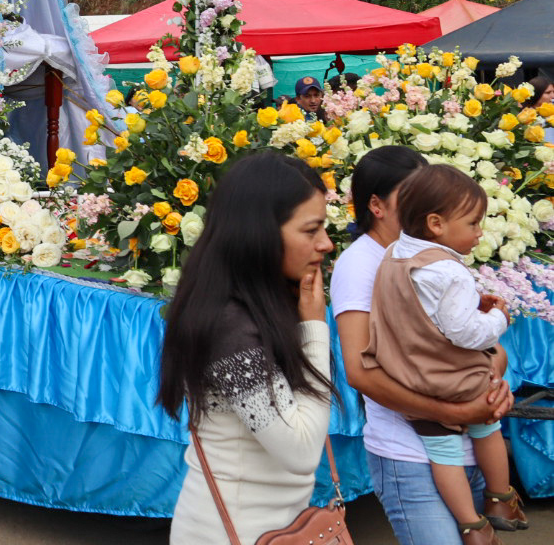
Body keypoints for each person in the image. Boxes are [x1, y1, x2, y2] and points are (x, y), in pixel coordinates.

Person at [332, 146, 514, 545]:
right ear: (376, 206)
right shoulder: (362, 264)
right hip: (410, 454)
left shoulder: (434, 256)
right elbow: (360, 371)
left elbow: (460, 342)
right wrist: (456, 408)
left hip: (466, 440)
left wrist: (493, 379)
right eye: (412, 191)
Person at [158, 151, 334, 544]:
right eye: (311, 230)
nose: (325, 244)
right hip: (228, 531)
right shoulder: (229, 324)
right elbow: (302, 452)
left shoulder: (266, 303)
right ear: (260, 233)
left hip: (275, 527)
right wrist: (315, 329)